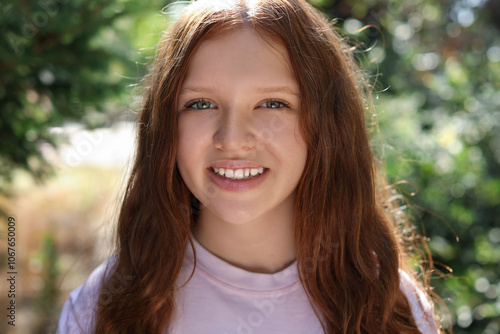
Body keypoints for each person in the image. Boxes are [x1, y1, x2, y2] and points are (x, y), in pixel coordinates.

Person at [57, 0, 444, 333]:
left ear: (328, 126)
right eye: (201, 104)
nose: (233, 138)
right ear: (163, 128)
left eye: (273, 103)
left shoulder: (391, 308)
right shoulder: (104, 307)